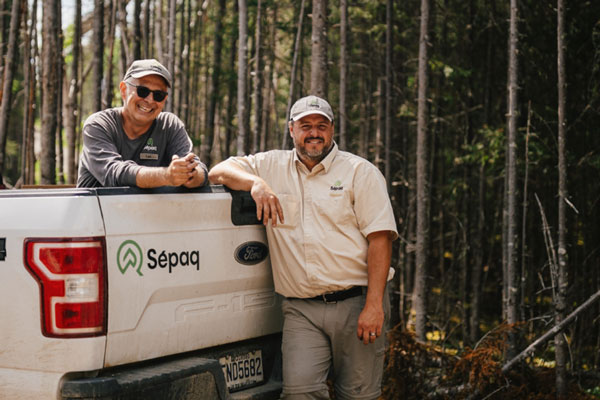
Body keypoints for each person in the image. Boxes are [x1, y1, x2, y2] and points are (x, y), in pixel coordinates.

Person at [209, 95, 398, 400]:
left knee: (358, 395)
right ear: (291, 130)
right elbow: (218, 170)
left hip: (356, 303)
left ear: (332, 130)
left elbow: (380, 239)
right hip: (301, 309)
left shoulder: (359, 173)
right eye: (306, 125)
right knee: (299, 393)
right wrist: (255, 184)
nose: (314, 132)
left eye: (321, 126)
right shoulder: (269, 166)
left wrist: (374, 305)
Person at [77, 59, 207, 188]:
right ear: (123, 90)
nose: (150, 100)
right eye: (142, 91)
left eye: (158, 95)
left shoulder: (170, 126)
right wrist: (166, 176)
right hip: (95, 207)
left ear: (165, 99)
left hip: (149, 209)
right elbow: (114, 174)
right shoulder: (99, 125)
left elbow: (198, 170)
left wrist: (190, 174)